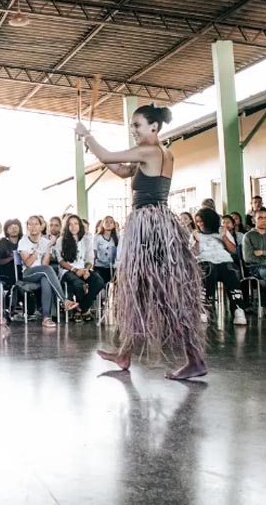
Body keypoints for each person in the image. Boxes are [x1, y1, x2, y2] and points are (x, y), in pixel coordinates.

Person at [76, 104, 206, 380]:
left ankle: (194, 359)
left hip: (150, 229)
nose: (133, 130)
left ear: (154, 127)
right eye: (132, 126)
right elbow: (122, 170)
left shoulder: (149, 151)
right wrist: (94, 150)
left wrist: (87, 136)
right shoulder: (160, 153)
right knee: (141, 291)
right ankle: (125, 353)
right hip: (156, 225)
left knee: (162, 294)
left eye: (137, 125)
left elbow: (108, 154)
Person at [18, 216, 77, 328]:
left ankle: (46, 318)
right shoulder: (23, 241)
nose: (33, 227)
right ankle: (64, 300)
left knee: (46, 279)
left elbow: (44, 264)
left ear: (41, 226)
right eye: (30, 224)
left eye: (36, 224)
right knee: (48, 270)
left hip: (43, 272)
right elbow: (28, 263)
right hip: (28, 273)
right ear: (27, 227)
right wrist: (38, 249)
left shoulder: (46, 241)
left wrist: (49, 247)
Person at [194, 208, 247, 326]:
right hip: (205, 261)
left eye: (202, 221)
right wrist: (197, 241)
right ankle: (205, 308)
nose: (199, 224)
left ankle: (238, 309)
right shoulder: (196, 233)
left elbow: (233, 250)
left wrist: (224, 237)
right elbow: (193, 254)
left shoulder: (221, 230)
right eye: (197, 222)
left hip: (224, 260)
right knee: (208, 270)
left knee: (231, 272)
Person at [58, 214, 104, 322]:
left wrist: (86, 270)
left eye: (76, 224)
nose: (73, 227)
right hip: (68, 271)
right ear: (66, 227)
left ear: (80, 225)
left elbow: (89, 258)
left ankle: (80, 308)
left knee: (98, 281)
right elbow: (61, 261)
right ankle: (84, 311)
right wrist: (74, 270)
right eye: (70, 224)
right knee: (79, 284)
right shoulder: (61, 240)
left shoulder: (86, 239)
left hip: (83, 270)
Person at [93, 216, 118, 284]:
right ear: (102, 224)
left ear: (114, 225)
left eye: (111, 222)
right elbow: (94, 252)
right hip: (100, 266)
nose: (108, 224)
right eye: (106, 222)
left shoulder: (117, 237)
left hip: (112, 267)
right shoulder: (97, 237)